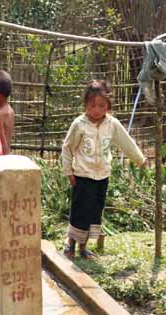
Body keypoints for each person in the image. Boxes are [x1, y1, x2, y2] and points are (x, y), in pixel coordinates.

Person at [61, 80, 147, 259]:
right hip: (82, 175)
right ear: (86, 105)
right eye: (92, 105)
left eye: (101, 105)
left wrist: (140, 160)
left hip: (102, 176)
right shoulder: (80, 124)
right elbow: (68, 147)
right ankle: (71, 244)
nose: (97, 110)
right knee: (79, 210)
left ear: (108, 105)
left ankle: (83, 248)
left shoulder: (112, 124)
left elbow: (127, 143)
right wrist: (68, 171)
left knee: (94, 211)